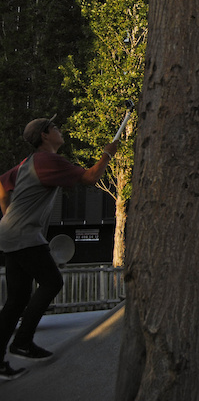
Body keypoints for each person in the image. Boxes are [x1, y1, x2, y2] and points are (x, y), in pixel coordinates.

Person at [0, 116, 118, 380]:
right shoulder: (48, 160)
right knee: (52, 282)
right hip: (24, 236)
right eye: (55, 128)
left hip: (10, 234)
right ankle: (23, 342)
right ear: (45, 135)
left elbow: (1, 184)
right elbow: (89, 178)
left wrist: (9, 216)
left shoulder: (27, 163)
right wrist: (107, 155)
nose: (60, 131)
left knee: (17, 299)